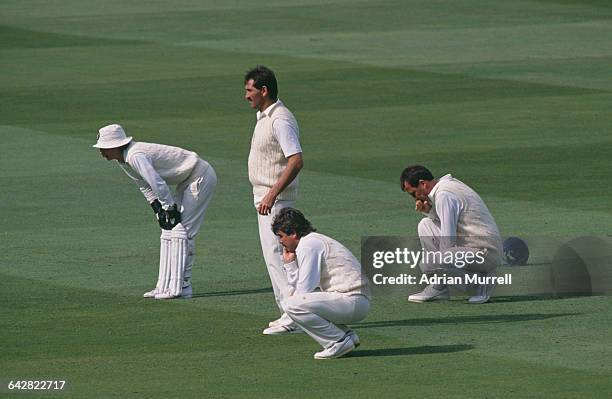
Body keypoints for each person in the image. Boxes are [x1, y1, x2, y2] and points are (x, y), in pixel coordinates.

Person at [93, 124, 216, 299]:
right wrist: (157, 208)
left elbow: (157, 182)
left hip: (200, 175)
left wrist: (169, 207)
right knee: (168, 230)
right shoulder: (123, 159)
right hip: (186, 179)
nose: (101, 152)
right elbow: (144, 184)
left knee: (182, 232)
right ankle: (163, 286)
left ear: (116, 145)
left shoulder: (135, 155)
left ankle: (181, 287)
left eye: (104, 148)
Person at [244, 66, 304, 334]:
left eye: (250, 90)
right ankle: (291, 312)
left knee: (279, 257)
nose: (246, 96)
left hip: (275, 201)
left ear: (264, 90)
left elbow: (296, 160)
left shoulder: (280, 119)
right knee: (275, 256)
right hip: (266, 198)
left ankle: (293, 316)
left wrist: (272, 193)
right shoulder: (264, 117)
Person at [272, 208, 371, 359]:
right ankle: (347, 335)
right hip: (354, 301)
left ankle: (337, 341)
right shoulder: (312, 241)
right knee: (295, 303)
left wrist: (290, 266)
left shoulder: (308, 245)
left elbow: (303, 290)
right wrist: (291, 264)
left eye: (281, 236)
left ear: (293, 233)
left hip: (351, 301)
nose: (280, 241)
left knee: (292, 304)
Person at [400, 165, 502, 304]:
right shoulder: (445, 189)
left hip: (485, 253)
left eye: (413, 193)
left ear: (423, 184)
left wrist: (436, 267)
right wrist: (429, 210)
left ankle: (482, 282)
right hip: (472, 246)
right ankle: (439, 287)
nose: (414, 197)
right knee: (425, 225)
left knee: (428, 264)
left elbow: (447, 241)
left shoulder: (444, 195)